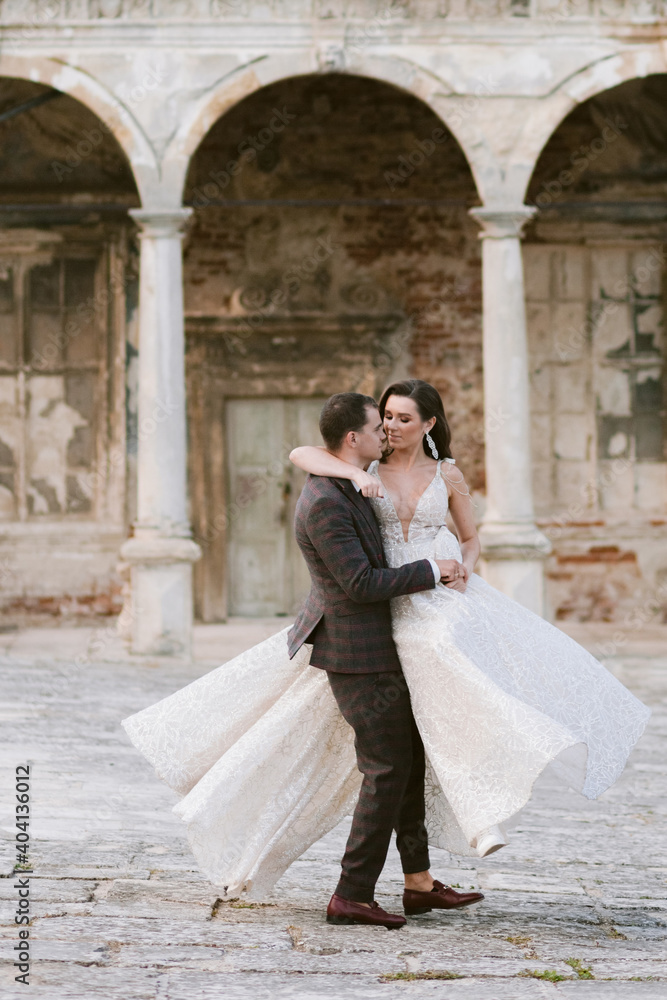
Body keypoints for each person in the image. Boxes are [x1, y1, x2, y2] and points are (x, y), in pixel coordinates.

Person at [121, 381, 649, 927]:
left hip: (427, 606)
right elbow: (306, 459)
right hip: (376, 619)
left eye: (401, 418)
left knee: (421, 745)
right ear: (362, 436)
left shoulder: (439, 471)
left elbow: (469, 537)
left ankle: (421, 877)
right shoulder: (351, 475)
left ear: (428, 423)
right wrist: (354, 475)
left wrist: (459, 571)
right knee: (388, 761)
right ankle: (363, 884)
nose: (391, 427)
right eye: (385, 419)